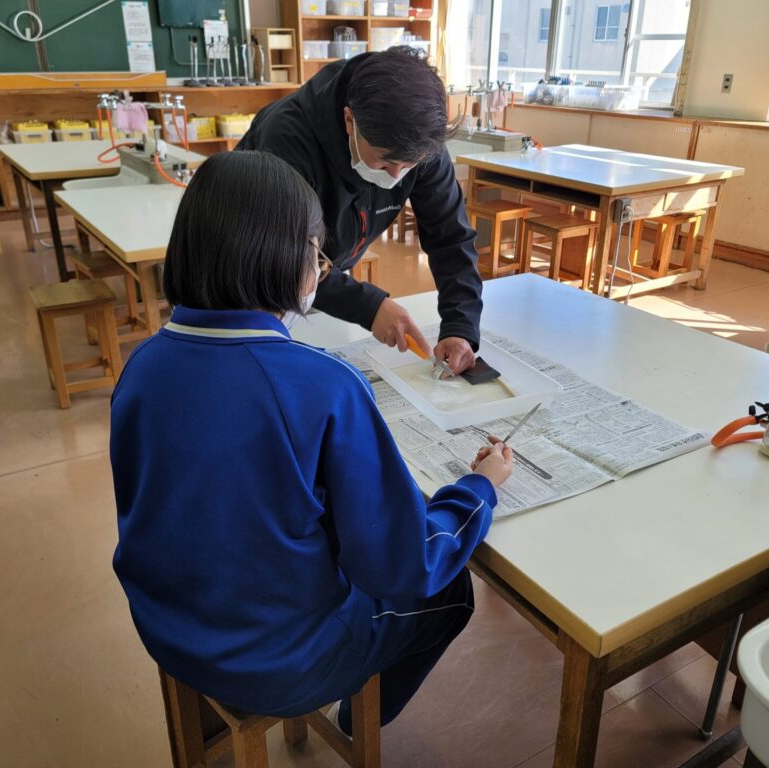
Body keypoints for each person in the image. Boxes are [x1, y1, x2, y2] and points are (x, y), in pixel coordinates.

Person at [110, 151, 513, 732]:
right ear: (283, 258)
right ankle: (355, 723)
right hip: (283, 663)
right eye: (317, 254)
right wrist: (478, 489)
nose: (321, 271)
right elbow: (404, 565)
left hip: (166, 627)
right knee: (451, 592)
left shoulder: (142, 365)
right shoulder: (322, 384)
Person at [237, 47, 482, 375]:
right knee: (262, 378)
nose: (396, 176)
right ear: (350, 121)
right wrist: (369, 306)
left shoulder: (422, 144)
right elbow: (286, 254)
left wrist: (460, 326)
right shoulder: (286, 136)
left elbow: (450, 237)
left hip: (320, 275)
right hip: (253, 273)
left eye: (408, 166)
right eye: (385, 161)